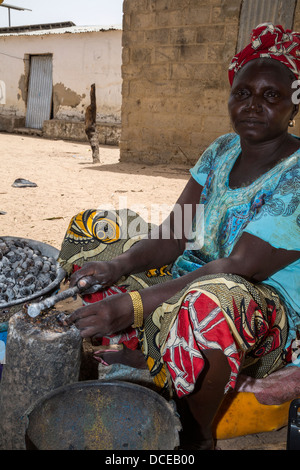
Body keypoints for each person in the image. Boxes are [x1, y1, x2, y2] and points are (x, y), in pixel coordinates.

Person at [58, 23, 300, 449]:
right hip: (188, 280)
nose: (252, 106)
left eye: (271, 96)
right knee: (91, 233)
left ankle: (196, 435)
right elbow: (173, 233)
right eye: (242, 93)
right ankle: (159, 360)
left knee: (207, 305)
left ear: (293, 107)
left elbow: (240, 267)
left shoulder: (297, 172)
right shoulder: (222, 150)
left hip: (258, 319)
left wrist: (133, 306)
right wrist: (117, 266)